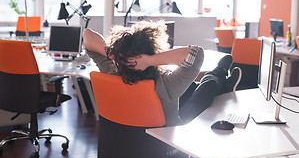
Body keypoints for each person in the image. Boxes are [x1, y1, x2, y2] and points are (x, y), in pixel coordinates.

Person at [83, 20, 241, 126]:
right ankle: (220, 74)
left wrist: (114, 54)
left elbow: (87, 35)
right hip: (168, 147)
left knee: (191, 86)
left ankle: (220, 79)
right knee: (204, 90)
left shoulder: (110, 73)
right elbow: (196, 54)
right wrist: (149, 60)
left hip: (126, 149)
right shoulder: (165, 85)